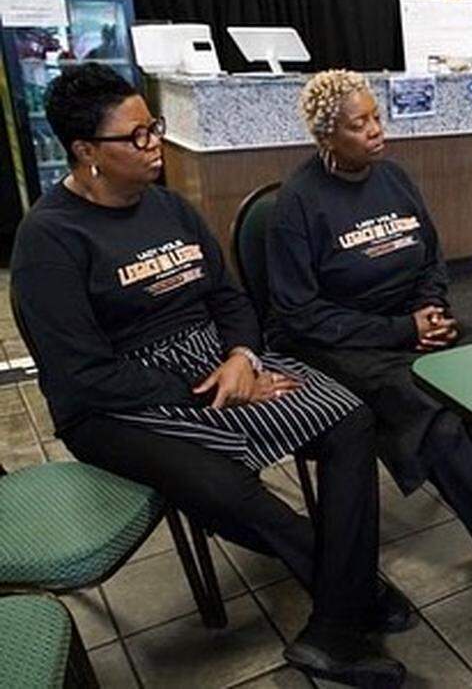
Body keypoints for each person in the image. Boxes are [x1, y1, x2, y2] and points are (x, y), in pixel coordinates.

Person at [11, 63, 407, 688]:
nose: (154, 147)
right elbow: (82, 374)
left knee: (349, 416)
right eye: (136, 137)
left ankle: (334, 623)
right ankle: (354, 597)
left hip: (213, 361)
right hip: (113, 403)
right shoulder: (48, 240)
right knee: (224, 486)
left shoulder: (169, 206)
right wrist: (212, 393)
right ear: (86, 151)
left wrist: (243, 359)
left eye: (154, 129)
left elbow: (227, 299)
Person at [266, 70, 472, 587]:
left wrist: (432, 310)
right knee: (431, 404)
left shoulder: (394, 178)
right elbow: (299, 313)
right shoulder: (298, 203)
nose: (376, 130)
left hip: (412, 319)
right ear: (326, 135)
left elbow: (431, 260)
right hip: (341, 340)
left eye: (376, 118)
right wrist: (403, 330)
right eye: (360, 124)